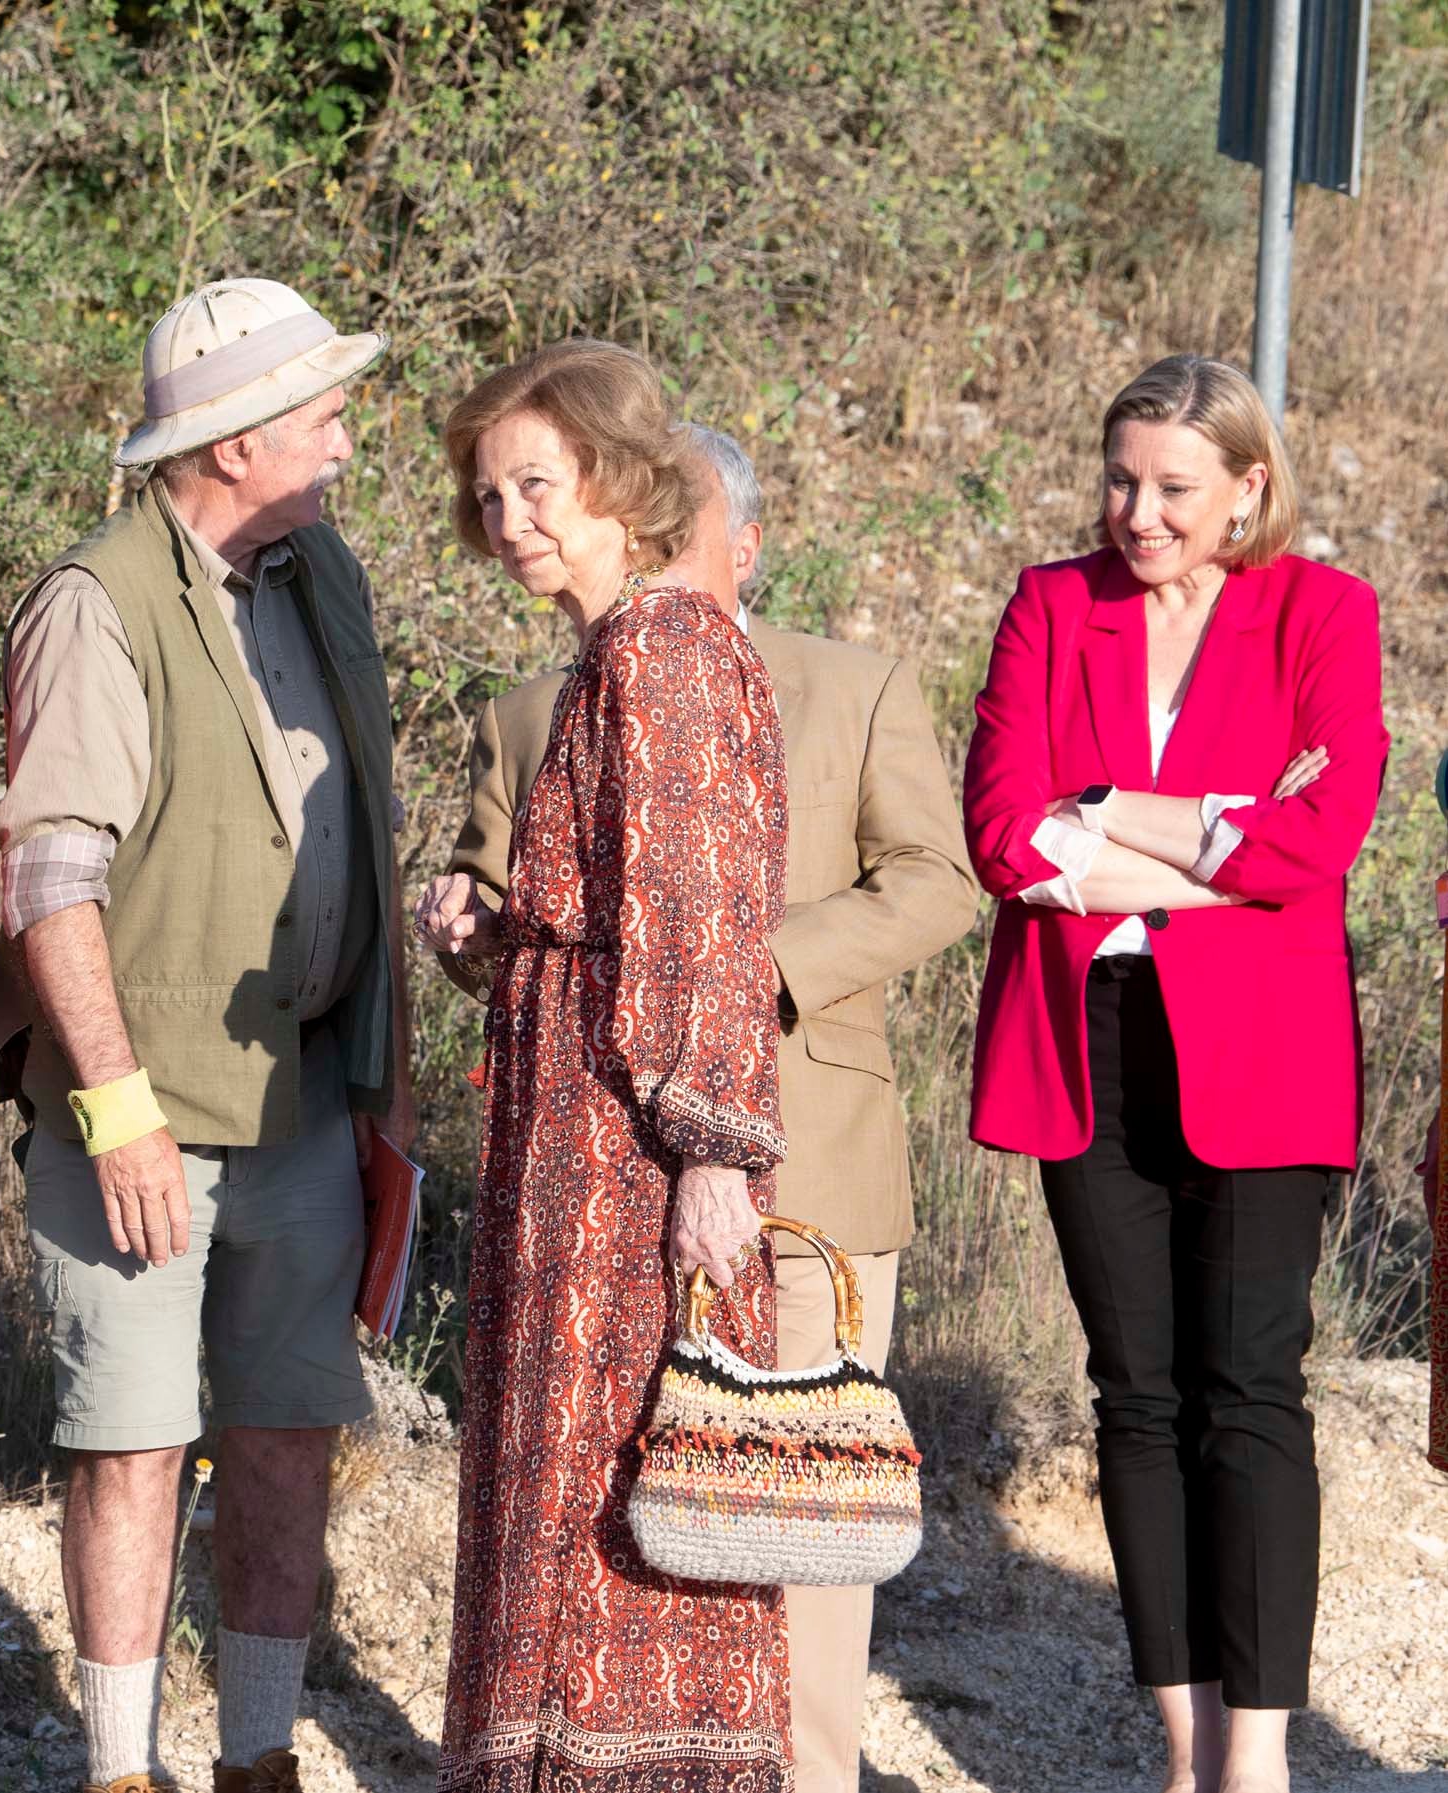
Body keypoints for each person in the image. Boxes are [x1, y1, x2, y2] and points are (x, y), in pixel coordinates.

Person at [416, 423, 978, 1793]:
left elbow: (940, 882)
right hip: (598, 1168)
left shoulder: (852, 683)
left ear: (750, 539)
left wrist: (741, 971)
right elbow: (504, 895)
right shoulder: (543, 697)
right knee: (610, 1525)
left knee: (785, 1526)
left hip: (806, 1172)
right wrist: (464, 923)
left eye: (696, 526)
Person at [0, 276, 414, 1793]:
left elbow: (360, 825)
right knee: (135, 1439)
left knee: (288, 1433)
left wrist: (384, 1083)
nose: (344, 439)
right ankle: (117, 1770)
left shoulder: (321, 572)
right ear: (231, 445)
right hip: (139, 1115)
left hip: (304, 1098)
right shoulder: (96, 599)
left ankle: (255, 1760)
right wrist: (114, 1106)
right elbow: (49, 876)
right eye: (319, 414)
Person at [962, 353, 1387, 1793]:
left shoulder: (1324, 612)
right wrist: (1221, 841)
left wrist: (1120, 815)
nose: (1137, 513)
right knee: (1135, 1391)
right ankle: (1182, 1748)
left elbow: (1322, 841)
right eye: (1121, 480)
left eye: (1174, 489)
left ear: (1248, 490)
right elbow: (1007, 836)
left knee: (1252, 1385)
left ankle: (1256, 1764)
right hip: (1085, 1039)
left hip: (1266, 1052)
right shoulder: (1047, 603)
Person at [427, 339, 793, 1791]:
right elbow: (623, 897)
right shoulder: (614, 653)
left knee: (620, 1509)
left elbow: (705, 910)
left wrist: (714, 1151)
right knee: (563, 1499)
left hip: (631, 1163)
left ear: (615, 476)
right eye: (488, 492)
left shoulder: (669, 645)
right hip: (567, 1149)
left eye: (536, 481)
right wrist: (506, 924)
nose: (510, 516)